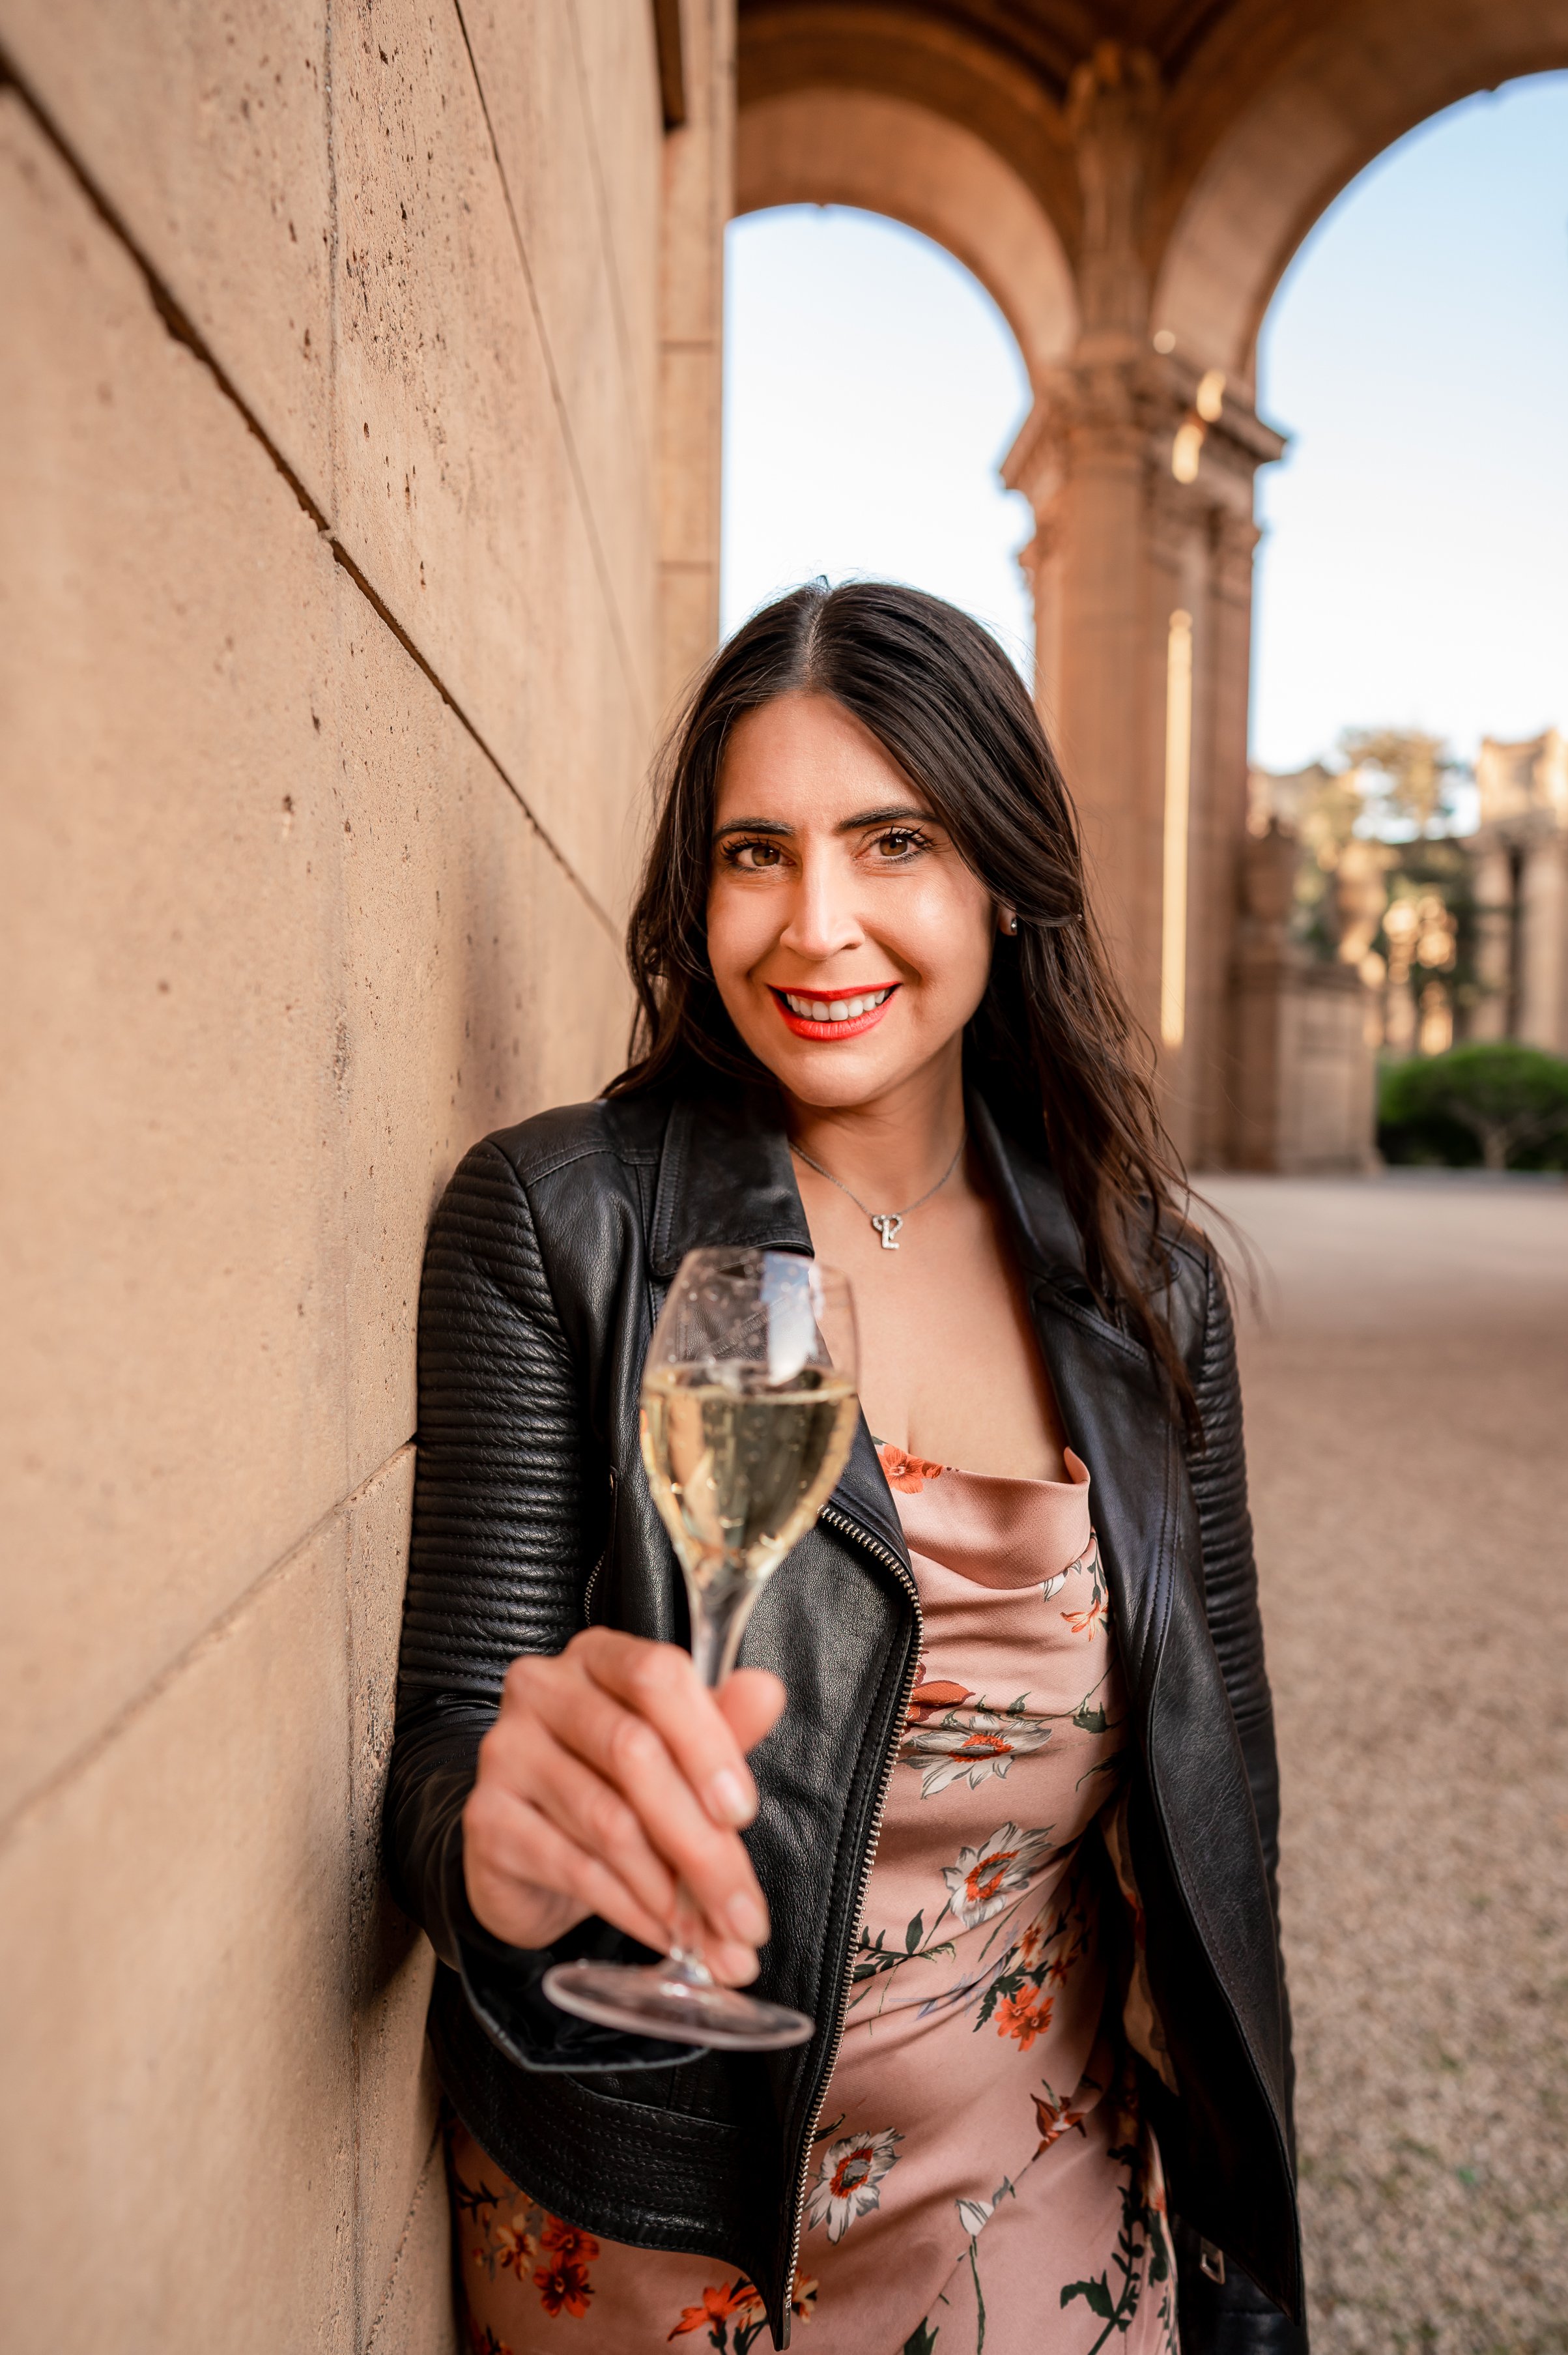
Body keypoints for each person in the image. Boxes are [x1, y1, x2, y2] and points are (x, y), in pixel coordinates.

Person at [384, 581, 1305, 2354]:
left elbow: (1223, 1792)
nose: (816, 927)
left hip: (1039, 2172)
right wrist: (498, 1853)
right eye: (757, 854)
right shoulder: (564, 1218)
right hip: (662, 2218)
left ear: (1003, 878)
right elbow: (444, 1749)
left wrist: (1246, 2249)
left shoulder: (1148, 1286)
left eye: (895, 842)